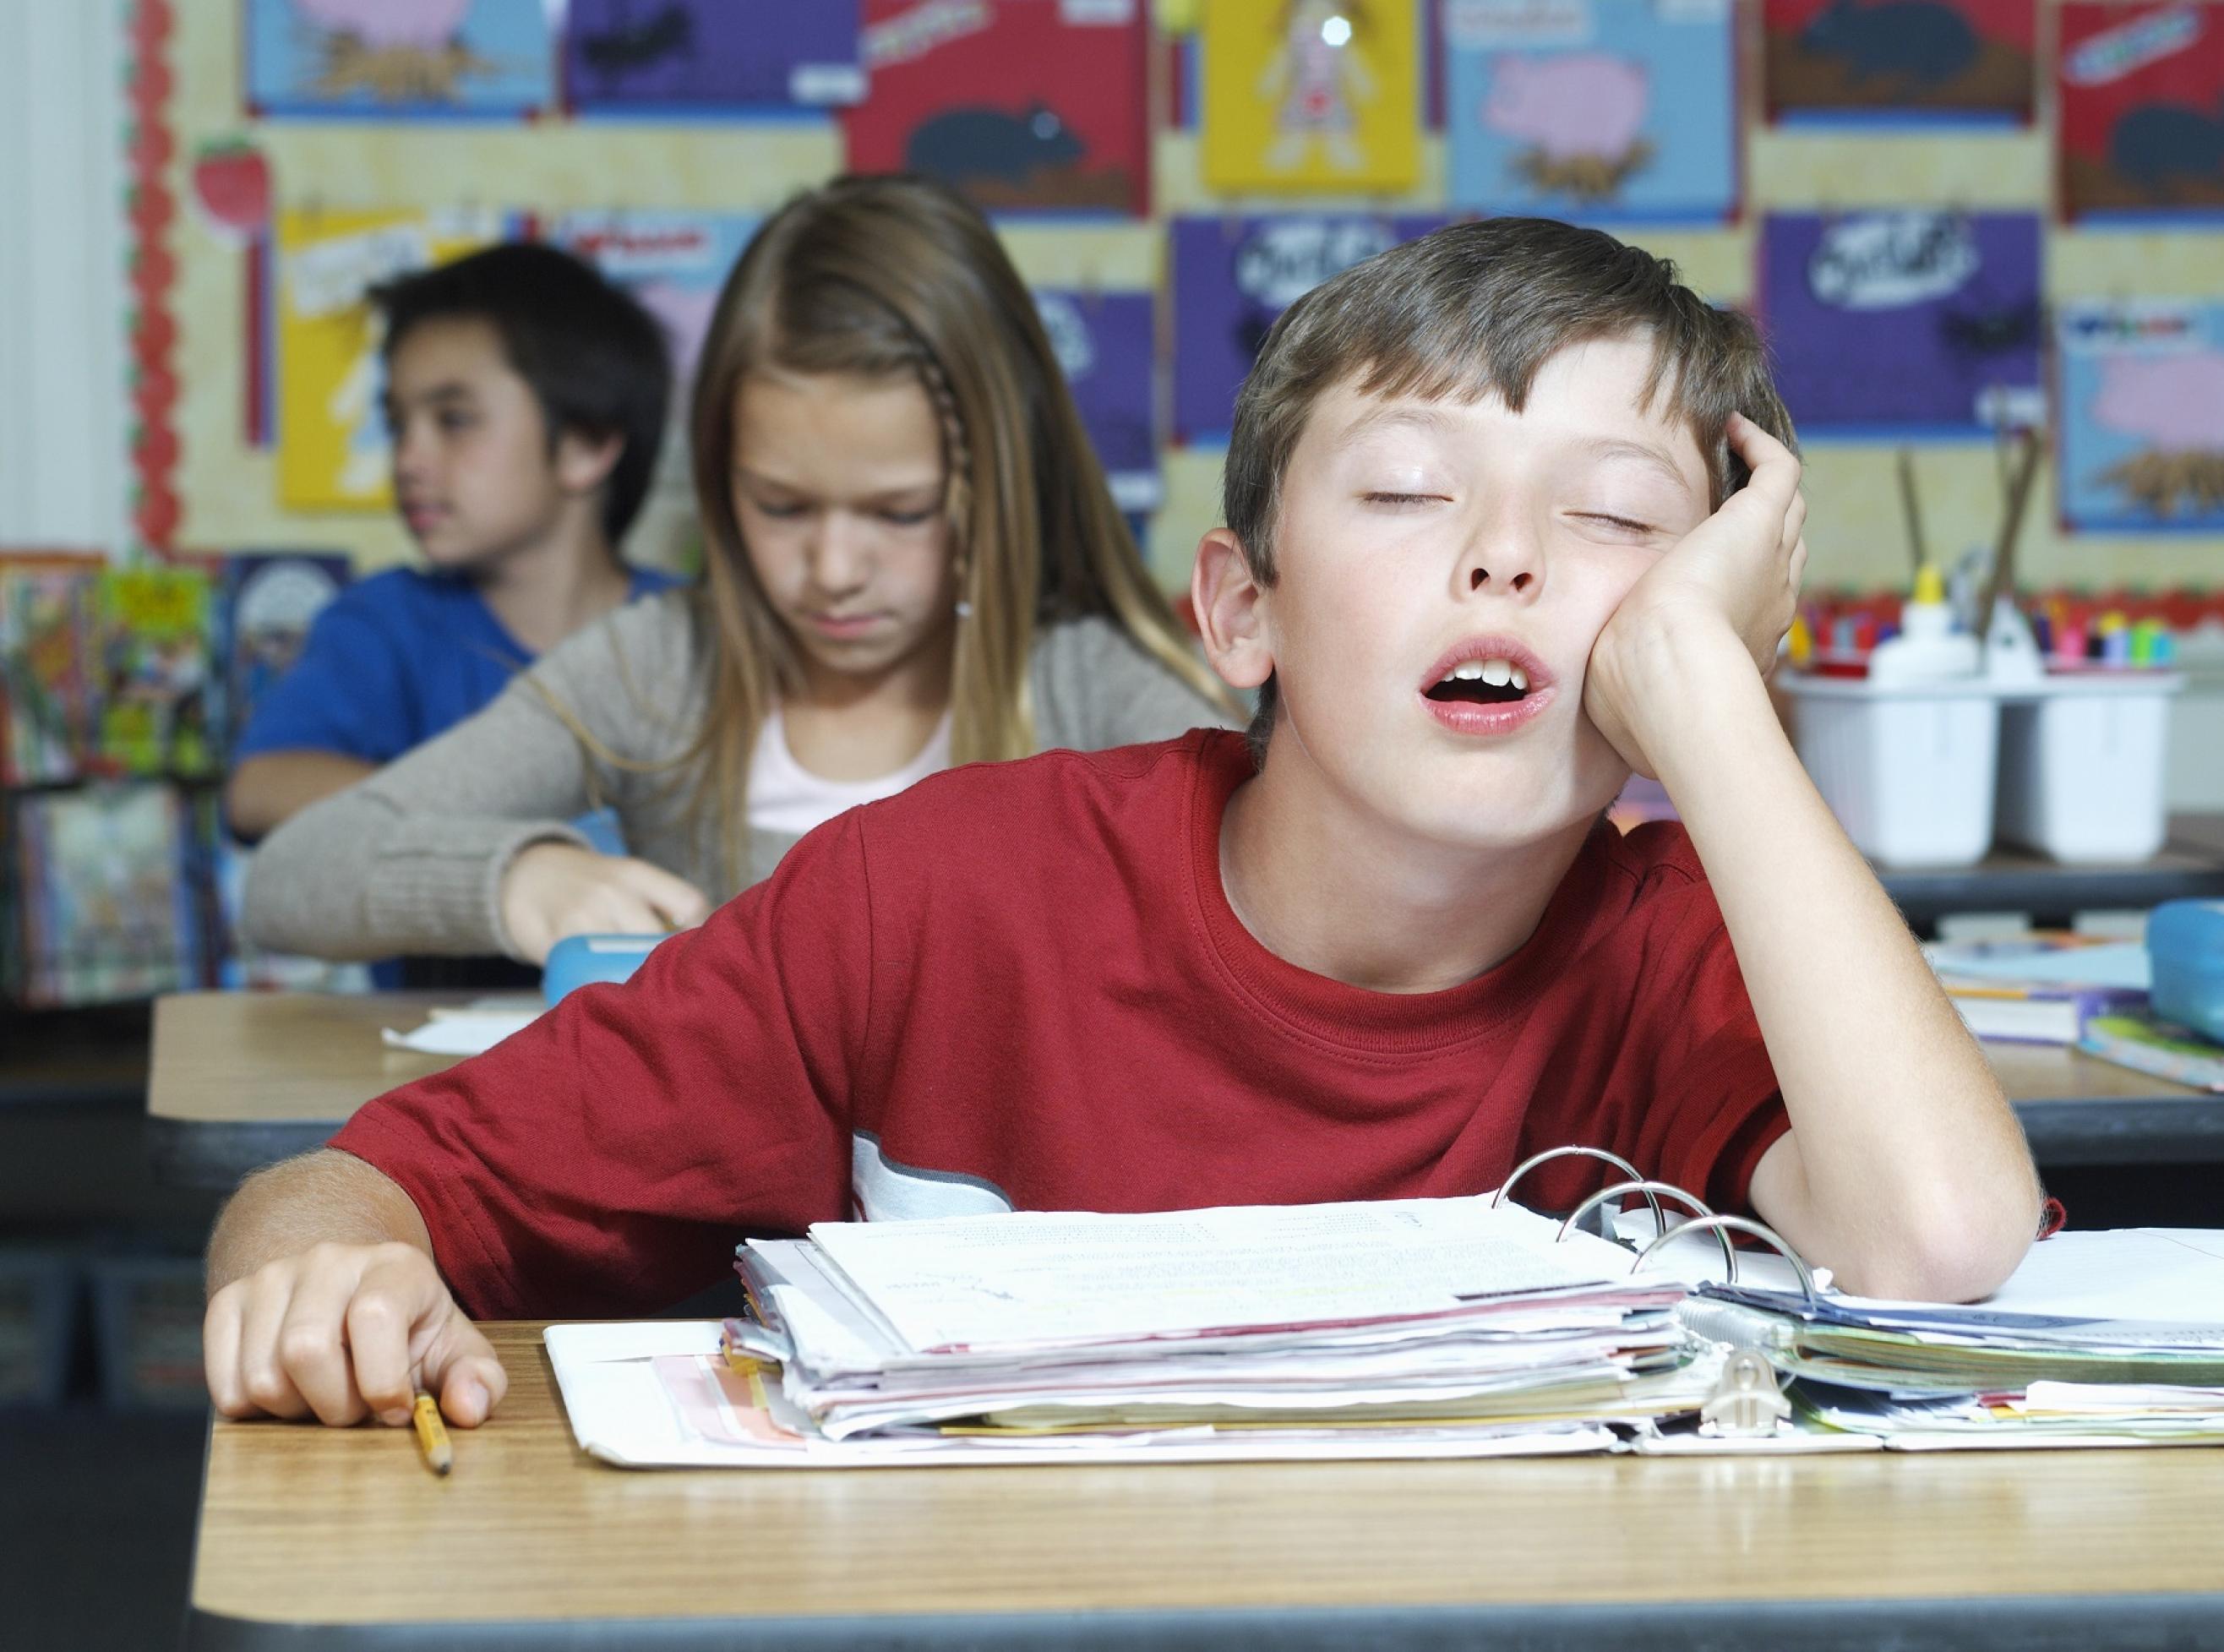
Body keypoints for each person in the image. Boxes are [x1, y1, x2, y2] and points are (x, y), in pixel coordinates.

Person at [203, 216, 2043, 1432]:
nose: (1502, 553)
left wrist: (1708, 713)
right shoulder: (923, 895)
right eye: (1405, 489)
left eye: (1616, 527)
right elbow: (358, 1182)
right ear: (1233, 610)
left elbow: (1940, 1232)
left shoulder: (1671, 940)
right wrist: (322, 1274)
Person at [239, 176, 1236, 966]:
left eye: (898, 512)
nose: (833, 570)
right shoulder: (657, 670)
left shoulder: (1086, 685)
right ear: (717, 480)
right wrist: (519, 877)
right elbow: (292, 874)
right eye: (782, 506)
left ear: (1000, 480)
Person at [224, 243, 682, 842]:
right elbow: (259, 788)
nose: (409, 460)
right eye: (397, 425)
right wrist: (508, 836)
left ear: (584, 446)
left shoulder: (698, 635)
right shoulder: (385, 624)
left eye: (454, 420)